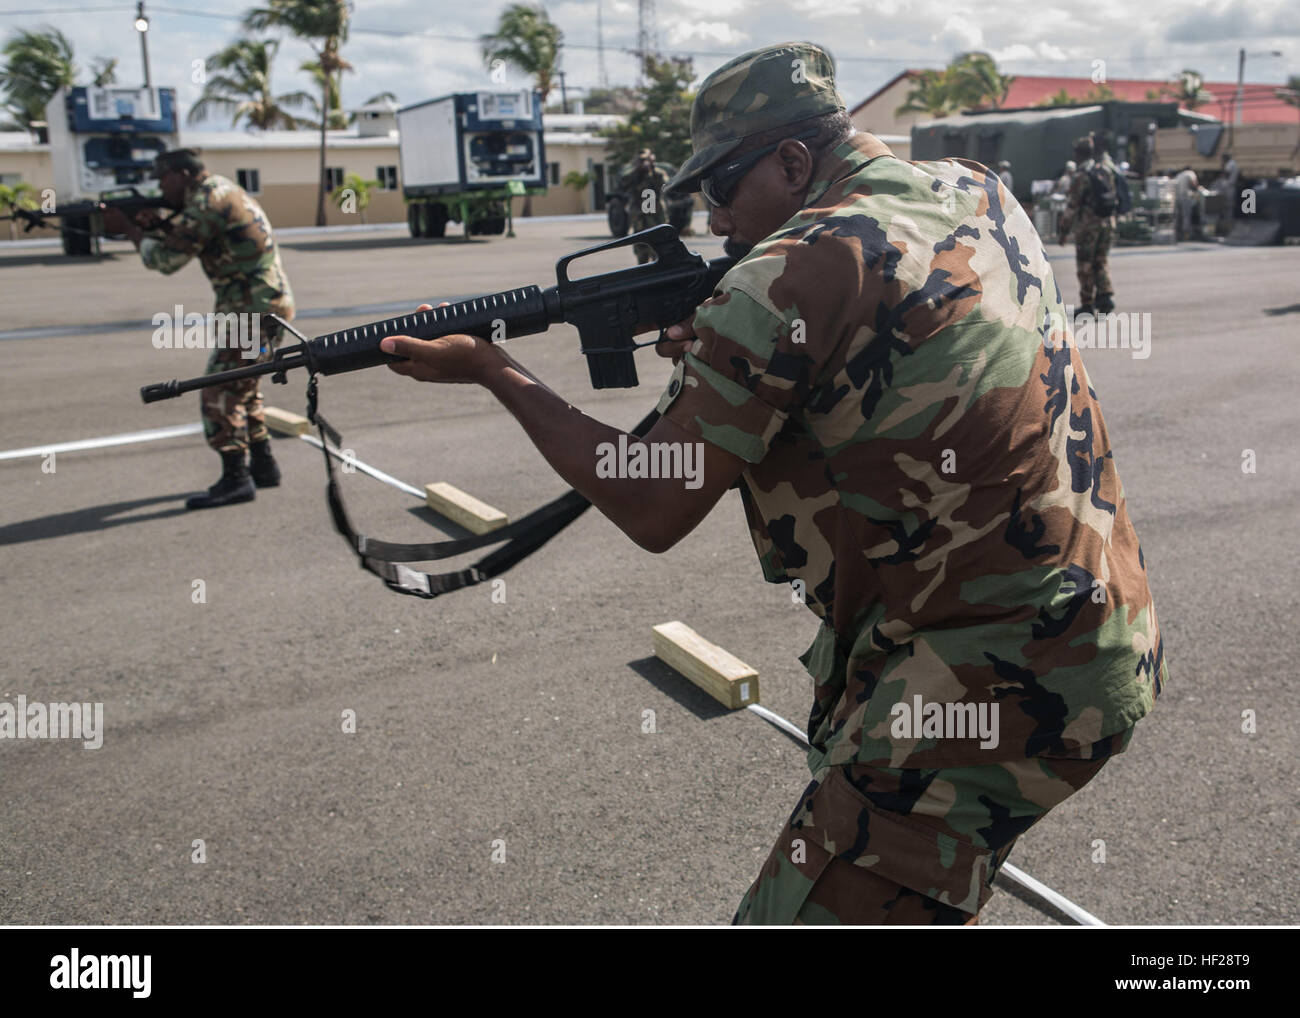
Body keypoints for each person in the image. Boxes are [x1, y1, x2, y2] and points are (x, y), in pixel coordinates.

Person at [378, 42, 1166, 925]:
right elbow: (885, 337)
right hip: (1096, 631)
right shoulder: (974, 187)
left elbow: (651, 499)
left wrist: (492, 370)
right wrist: (729, 353)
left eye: (721, 187)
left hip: (986, 688)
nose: (713, 219)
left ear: (795, 160)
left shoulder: (781, 274)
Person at [103, 149, 295, 509]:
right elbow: (199, 239)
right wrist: (157, 225)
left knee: (219, 389)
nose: (160, 186)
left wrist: (129, 230)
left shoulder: (206, 200)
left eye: (162, 178)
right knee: (244, 385)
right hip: (263, 303)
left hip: (249, 310)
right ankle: (264, 465)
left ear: (181, 174)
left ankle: (236, 479)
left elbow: (166, 259)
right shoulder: (220, 190)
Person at [1059, 135, 1118, 315]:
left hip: (1088, 225)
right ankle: (1105, 296)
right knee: (1101, 260)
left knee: (1085, 264)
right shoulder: (1105, 170)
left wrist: (1063, 230)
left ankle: (1087, 304)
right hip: (1108, 222)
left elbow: (1072, 206)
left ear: (1078, 154)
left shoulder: (1081, 176)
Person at [620, 148, 672, 264]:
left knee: (659, 248)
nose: (644, 163)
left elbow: (666, 185)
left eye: (646, 160)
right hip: (639, 217)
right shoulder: (632, 174)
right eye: (641, 160)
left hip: (656, 215)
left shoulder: (658, 173)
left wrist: (651, 170)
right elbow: (622, 184)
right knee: (641, 249)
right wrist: (636, 171)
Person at [1173, 165, 1200, 242]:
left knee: (1178, 216)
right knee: (1186, 215)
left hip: (1177, 198)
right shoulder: (1190, 173)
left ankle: (1177, 235)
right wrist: (1197, 189)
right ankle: (1186, 235)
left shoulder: (1179, 175)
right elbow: (1194, 184)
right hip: (1185, 197)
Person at [1220, 151, 1240, 219]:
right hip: (1230, 185)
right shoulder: (1232, 163)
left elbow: (1226, 174)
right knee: (1229, 203)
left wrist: (1222, 166)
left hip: (1228, 186)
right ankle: (1228, 218)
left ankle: (1228, 219)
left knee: (1227, 203)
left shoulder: (1230, 164)